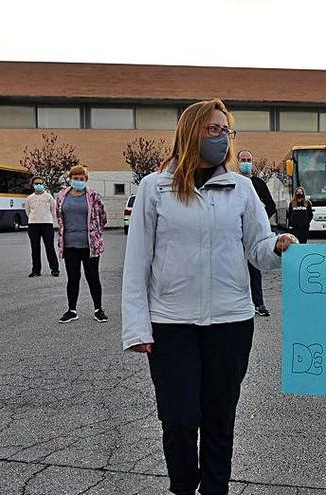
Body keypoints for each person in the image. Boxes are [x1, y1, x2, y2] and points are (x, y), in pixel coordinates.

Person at [122, 99, 297, 495]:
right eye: (213, 130)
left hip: (231, 323)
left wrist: (278, 247)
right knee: (180, 419)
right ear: (190, 133)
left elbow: (257, 248)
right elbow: (137, 265)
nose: (222, 138)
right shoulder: (155, 188)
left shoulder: (242, 189)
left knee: (220, 419)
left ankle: (216, 489)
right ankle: (183, 488)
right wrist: (137, 327)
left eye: (226, 131)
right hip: (171, 324)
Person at [56, 165, 107, 323]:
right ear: (70, 179)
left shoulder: (93, 196)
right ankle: (72, 310)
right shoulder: (62, 196)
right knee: (73, 278)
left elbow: (102, 217)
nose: (78, 181)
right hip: (70, 244)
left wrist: (95, 232)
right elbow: (59, 216)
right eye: (75, 178)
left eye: (81, 179)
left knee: (93, 277)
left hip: (90, 244)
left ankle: (98, 309)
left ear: (86, 180)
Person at [238, 149, 277, 317]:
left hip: (252, 236)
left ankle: (259, 303)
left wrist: (259, 222)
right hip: (235, 236)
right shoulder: (234, 183)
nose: (246, 162)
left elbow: (271, 206)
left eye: (248, 159)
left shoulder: (259, 184)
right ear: (238, 162)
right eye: (243, 159)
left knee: (255, 269)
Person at [25, 176, 59, 278]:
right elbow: (28, 211)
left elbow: (54, 210)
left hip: (47, 224)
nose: (38, 185)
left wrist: (51, 220)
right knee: (35, 248)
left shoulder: (48, 197)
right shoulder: (29, 198)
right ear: (33, 185)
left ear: (43, 184)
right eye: (36, 183)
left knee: (49, 247)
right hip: (33, 224)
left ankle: (55, 269)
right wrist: (33, 219)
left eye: (40, 183)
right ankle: (36, 270)